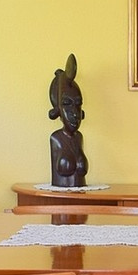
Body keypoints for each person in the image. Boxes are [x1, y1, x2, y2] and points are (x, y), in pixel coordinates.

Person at [47, 53, 88, 187]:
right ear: (57, 109)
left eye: (78, 104)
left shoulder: (79, 137)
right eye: (66, 104)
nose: (74, 113)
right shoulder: (56, 138)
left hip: (83, 196)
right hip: (59, 197)